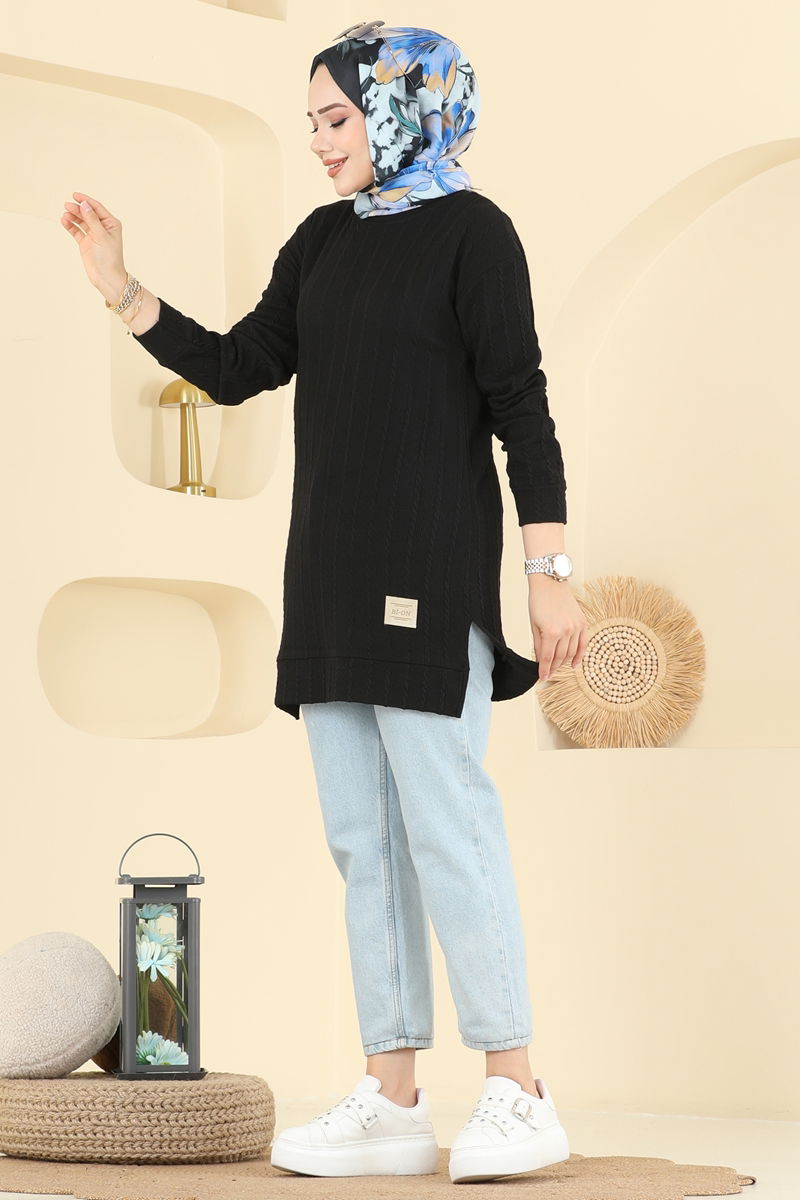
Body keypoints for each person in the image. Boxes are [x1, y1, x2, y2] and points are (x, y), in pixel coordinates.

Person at [61, 19, 588, 1184]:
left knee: (447, 824)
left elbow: (521, 408)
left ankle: (516, 1087)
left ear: (404, 109)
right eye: (309, 120)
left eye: (337, 117)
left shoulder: (474, 235)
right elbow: (241, 365)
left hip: (430, 578)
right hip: (329, 583)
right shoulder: (320, 240)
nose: (318, 140)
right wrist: (122, 291)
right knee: (363, 841)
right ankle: (391, 1096)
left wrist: (546, 577)